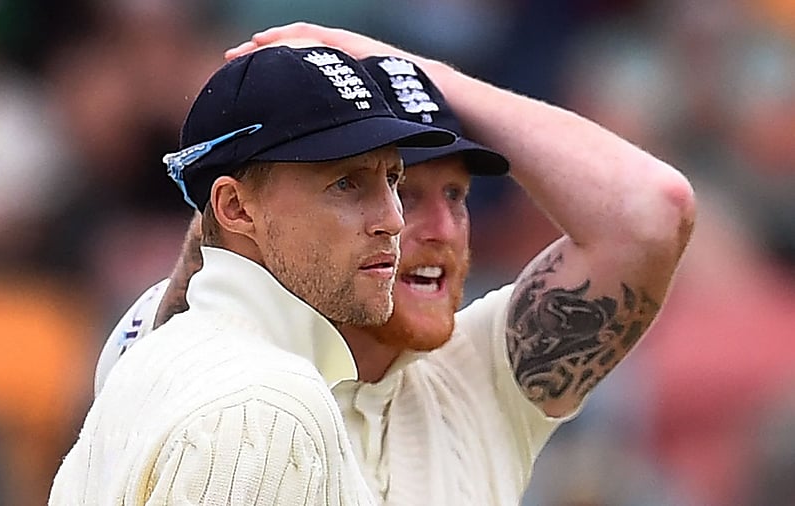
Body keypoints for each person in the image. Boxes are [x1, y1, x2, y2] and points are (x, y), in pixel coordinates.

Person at [96, 24, 697, 505]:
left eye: (457, 197)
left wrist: (410, 72)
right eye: (396, 190)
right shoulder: (207, 348)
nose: (433, 231)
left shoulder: (472, 375)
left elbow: (653, 211)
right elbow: (227, 238)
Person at [49, 44, 454, 505]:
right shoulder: (265, 406)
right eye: (346, 183)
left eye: (393, 179)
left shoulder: (155, 360)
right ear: (236, 208)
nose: (394, 219)